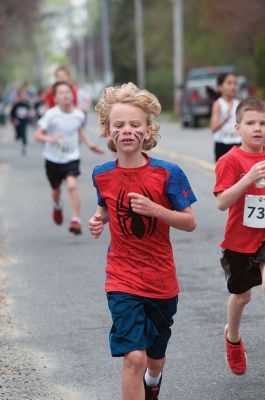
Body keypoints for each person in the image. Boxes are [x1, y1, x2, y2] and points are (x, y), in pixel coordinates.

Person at [88, 82, 197, 400]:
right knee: (133, 357)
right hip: (121, 278)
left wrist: (156, 210)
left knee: (154, 357)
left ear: (148, 130)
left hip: (161, 281)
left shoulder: (168, 174)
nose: (126, 131)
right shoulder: (101, 174)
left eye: (135, 124)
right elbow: (105, 207)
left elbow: (190, 222)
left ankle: (154, 379)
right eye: (118, 125)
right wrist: (99, 220)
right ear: (108, 133)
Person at [214, 97, 265, 376]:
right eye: (251, 123)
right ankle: (232, 338)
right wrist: (247, 179)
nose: (258, 128)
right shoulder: (230, 160)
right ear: (237, 127)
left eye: (263, 123)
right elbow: (222, 203)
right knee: (241, 296)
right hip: (239, 241)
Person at [35, 81, 104, 235]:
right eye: (61, 93)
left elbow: (78, 130)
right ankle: (57, 206)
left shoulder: (78, 115)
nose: (65, 95)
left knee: (72, 186)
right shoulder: (51, 114)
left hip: (71, 156)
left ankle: (75, 219)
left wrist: (90, 144)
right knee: (56, 191)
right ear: (55, 98)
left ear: (72, 96)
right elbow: (37, 135)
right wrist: (50, 139)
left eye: (67, 92)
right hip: (52, 158)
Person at [209, 72, 241, 162]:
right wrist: (225, 118)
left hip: (238, 143)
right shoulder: (218, 104)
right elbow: (213, 128)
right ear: (220, 87)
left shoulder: (239, 104)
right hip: (223, 145)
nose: (233, 86)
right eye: (229, 83)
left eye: (235, 83)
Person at [10, 85, 30, 155]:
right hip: (18, 121)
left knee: (24, 132)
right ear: (19, 96)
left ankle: (24, 145)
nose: (23, 97)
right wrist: (14, 119)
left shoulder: (27, 104)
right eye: (21, 95)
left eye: (24, 95)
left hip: (24, 121)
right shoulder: (16, 104)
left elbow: (29, 112)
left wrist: (29, 116)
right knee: (18, 132)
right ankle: (18, 136)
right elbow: (12, 113)